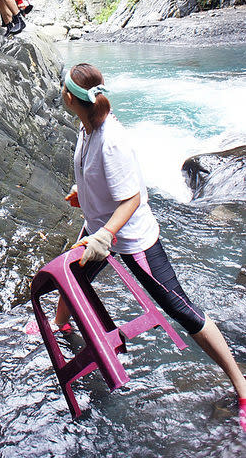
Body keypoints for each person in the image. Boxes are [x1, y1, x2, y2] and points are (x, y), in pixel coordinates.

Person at [57, 62, 246, 430]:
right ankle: (60, 324)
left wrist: (105, 236)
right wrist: (84, 192)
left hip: (131, 237)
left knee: (182, 309)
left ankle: (242, 385)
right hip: (100, 226)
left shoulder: (112, 140)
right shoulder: (86, 127)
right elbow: (98, 175)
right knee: (71, 272)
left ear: (70, 97)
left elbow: (131, 199)